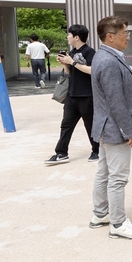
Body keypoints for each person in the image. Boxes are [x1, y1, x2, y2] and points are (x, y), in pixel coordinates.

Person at [89, 16, 132, 240]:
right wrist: (129, 130)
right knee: (117, 177)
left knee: (104, 172)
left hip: (107, 126)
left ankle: (101, 213)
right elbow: (116, 101)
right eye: (125, 33)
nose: (128, 37)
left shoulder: (104, 56)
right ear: (110, 36)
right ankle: (118, 222)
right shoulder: (108, 61)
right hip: (116, 128)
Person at [45, 25, 100, 165]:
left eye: (69, 35)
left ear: (76, 37)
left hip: (87, 95)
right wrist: (65, 64)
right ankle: (61, 153)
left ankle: (97, 151)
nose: (67, 37)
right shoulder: (72, 52)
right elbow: (71, 73)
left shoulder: (90, 52)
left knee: (90, 125)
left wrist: (72, 62)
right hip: (72, 95)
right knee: (66, 125)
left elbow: (93, 70)